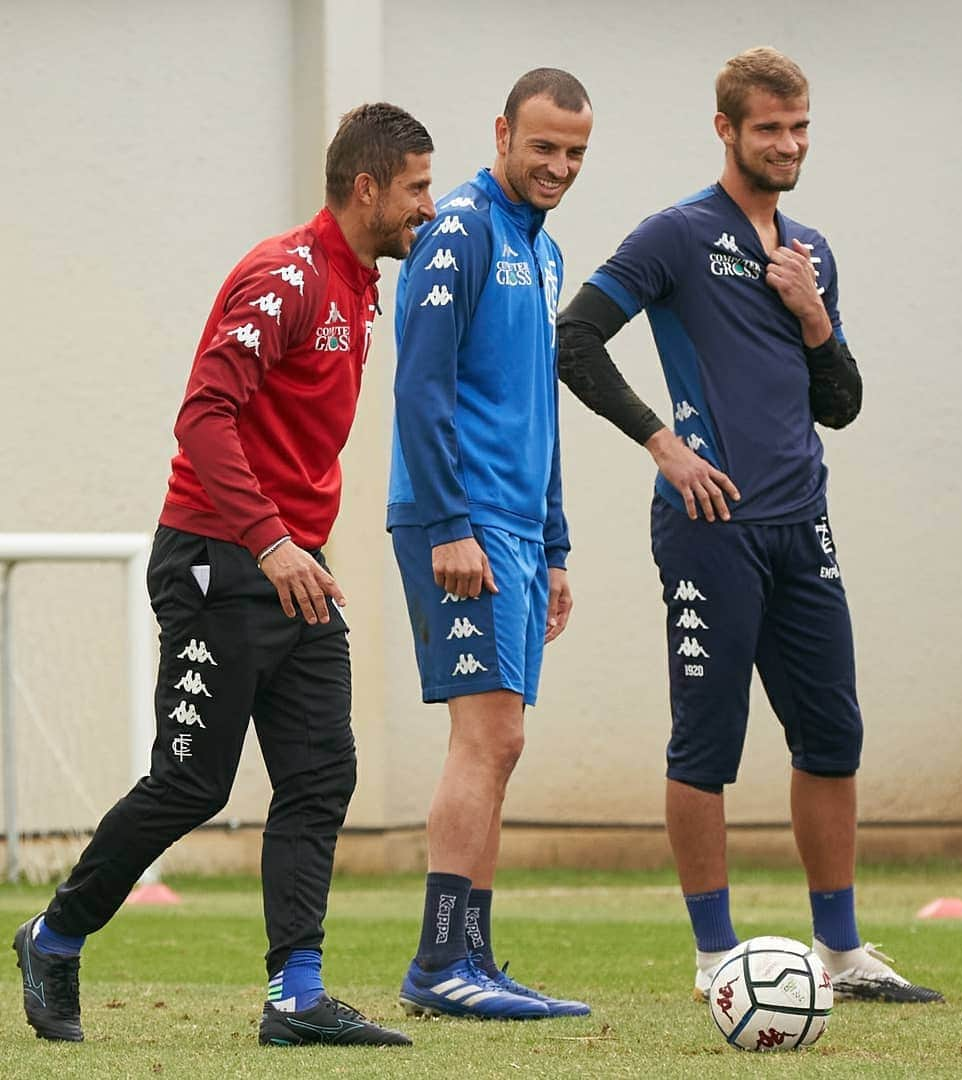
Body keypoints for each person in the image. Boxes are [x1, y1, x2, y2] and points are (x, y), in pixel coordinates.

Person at [13, 103, 437, 1047]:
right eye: (415, 187)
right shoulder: (283, 275)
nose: (427, 205)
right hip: (219, 557)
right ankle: (55, 934)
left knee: (324, 771)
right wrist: (271, 540)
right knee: (191, 783)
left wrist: (298, 549)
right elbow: (202, 415)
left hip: (294, 567)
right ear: (365, 188)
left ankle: (296, 995)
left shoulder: (361, 286)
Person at [557, 47, 944, 1005]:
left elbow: (841, 406)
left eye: (800, 126)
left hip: (801, 525)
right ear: (726, 130)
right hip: (709, 527)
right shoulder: (676, 236)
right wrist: (663, 445)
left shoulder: (807, 252)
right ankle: (713, 956)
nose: (788, 144)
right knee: (707, 741)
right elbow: (574, 339)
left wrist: (815, 315)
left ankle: (844, 952)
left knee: (832, 736)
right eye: (768, 127)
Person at [387, 69, 593, 1021]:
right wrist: (449, 525)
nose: (557, 167)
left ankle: (472, 956)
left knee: (502, 743)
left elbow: (540, 405)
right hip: (458, 526)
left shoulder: (542, 253)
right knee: (486, 737)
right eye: (543, 146)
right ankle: (439, 967)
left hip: (514, 529)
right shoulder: (460, 231)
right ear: (503, 132)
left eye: (575, 154)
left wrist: (554, 546)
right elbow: (420, 387)